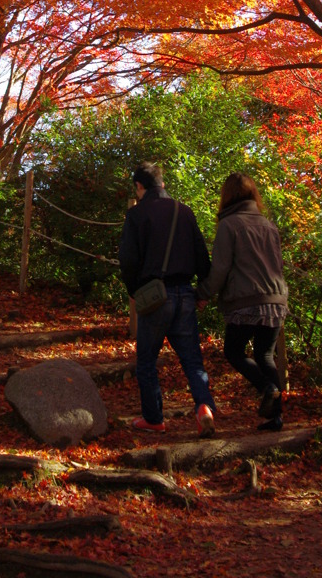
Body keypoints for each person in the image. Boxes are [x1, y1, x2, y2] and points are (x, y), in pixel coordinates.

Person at [119, 161, 216, 437]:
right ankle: (204, 407)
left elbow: (128, 259)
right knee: (192, 360)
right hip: (185, 292)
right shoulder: (183, 212)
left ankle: (154, 418)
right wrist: (202, 292)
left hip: (154, 296)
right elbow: (202, 258)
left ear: (140, 186)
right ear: (162, 183)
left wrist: (134, 291)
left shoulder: (137, 215)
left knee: (147, 360)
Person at [197, 172, 288, 432]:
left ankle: (267, 388)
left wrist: (202, 293)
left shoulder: (229, 225)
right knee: (265, 355)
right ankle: (276, 417)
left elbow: (221, 269)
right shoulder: (268, 225)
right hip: (276, 299)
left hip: (247, 301)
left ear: (226, 196)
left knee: (233, 352)